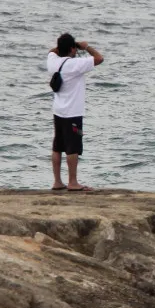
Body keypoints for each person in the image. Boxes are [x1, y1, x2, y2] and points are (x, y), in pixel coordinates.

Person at [46, 33, 104, 191]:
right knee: (73, 147)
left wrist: (65, 46)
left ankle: (57, 182)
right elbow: (99, 58)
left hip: (58, 110)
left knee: (57, 146)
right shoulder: (75, 64)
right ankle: (72, 182)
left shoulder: (52, 61)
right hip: (72, 112)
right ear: (72, 49)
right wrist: (85, 46)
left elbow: (52, 51)